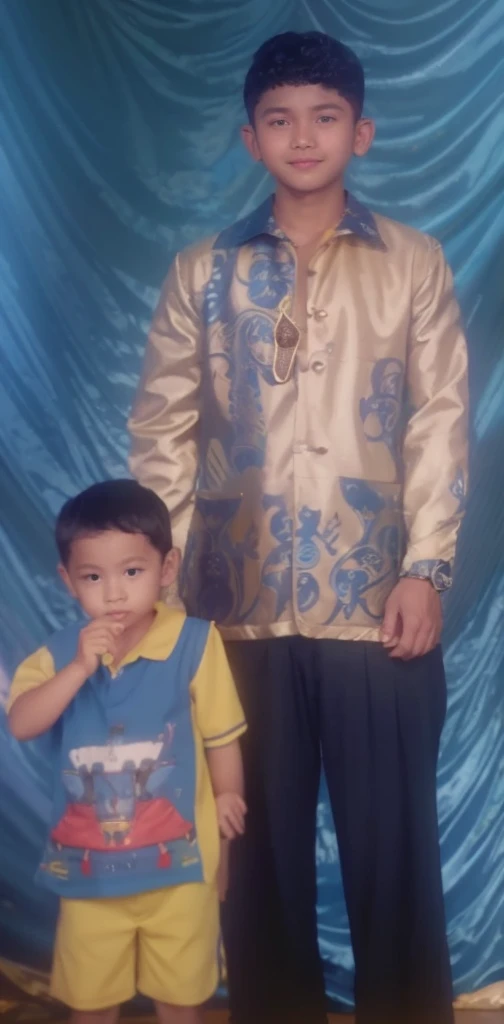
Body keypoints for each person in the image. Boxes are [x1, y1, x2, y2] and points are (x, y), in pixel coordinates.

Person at [128, 29, 468, 1024]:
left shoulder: (413, 261)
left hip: (380, 607)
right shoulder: (204, 272)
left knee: (391, 849)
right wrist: (168, 585)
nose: (303, 135)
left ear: (361, 132)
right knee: (257, 850)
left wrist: (428, 567)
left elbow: (442, 420)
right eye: (280, 119)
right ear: (250, 139)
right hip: (234, 610)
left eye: (324, 117)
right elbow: (161, 426)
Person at [7, 479, 246, 1024]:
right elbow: (22, 723)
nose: (114, 593)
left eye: (132, 572)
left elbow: (221, 737)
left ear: (167, 569)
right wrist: (76, 670)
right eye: (94, 577)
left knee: (181, 1000)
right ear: (68, 581)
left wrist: (230, 796)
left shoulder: (195, 643)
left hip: (181, 870)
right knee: (91, 1003)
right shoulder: (61, 652)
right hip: (90, 872)